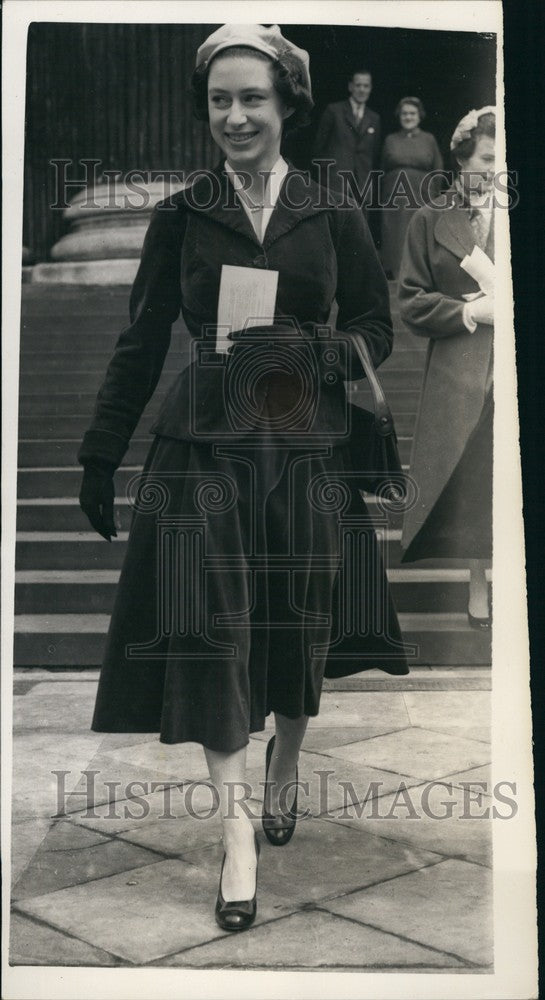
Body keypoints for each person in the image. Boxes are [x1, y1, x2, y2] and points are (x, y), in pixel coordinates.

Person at [78, 23, 408, 933]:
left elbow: (376, 328)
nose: (234, 115)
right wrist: (100, 450)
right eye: (219, 99)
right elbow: (143, 339)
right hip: (205, 451)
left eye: (251, 98)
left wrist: (318, 349)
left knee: (297, 624)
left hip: (306, 447)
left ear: (287, 106)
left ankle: (287, 763)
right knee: (213, 634)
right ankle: (234, 838)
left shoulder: (331, 206)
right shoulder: (179, 214)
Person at [398, 107, 495, 628]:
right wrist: (466, 311)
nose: (495, 169)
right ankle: (478, 584)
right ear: (461, 158)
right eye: (485, 159)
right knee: (475, 477)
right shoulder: (430, 218)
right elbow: (410, 300)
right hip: (461, 366)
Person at [380, 97, 444, 279]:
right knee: (396, 235)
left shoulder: (428, 139)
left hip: (421, 195)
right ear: (399, 116)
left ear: (420, 116)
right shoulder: (390, 139)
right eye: (404, 113)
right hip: (395, 197)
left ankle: (418, 277)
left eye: (412, 113)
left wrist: (433, 196)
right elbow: (382, 168)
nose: (408, 117)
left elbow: (438, 168)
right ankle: (396, 275)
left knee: (419, 233)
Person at [312, 69, 381, 206]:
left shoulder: (374, 118)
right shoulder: (334, 111)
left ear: (370, 88)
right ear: (350, 87)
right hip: (336, 181)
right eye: (358, 85)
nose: (362, 90)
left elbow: (375, 153)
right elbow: (318, 148)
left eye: (366, 86)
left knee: (359, 224)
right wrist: (326, 178)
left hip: (362, 184)